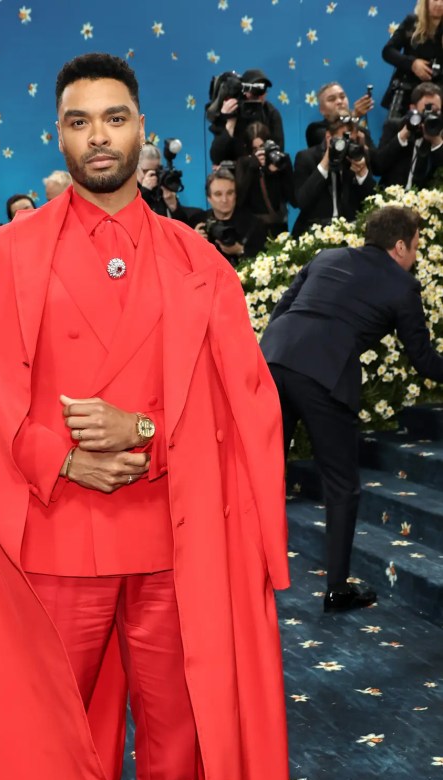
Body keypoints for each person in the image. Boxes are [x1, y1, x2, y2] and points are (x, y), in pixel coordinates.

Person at [0, 51, 290, 780]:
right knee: (52, 728)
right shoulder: (9, 254)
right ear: (57, 134)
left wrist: (149, 434)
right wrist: (61, 455)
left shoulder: (197, 259)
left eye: (114, 117)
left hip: (174, 537)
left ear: (142, 130)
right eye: (79, 120)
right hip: (55, 535)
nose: (98, 136)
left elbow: (242, 397)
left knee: (178, 727)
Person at [260, 204, 443, 611]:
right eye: (416, 246)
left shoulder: (328, 256)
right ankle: (337, 589)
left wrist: (278, 354)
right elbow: (424, 360)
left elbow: (282, 309)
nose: (416, 255)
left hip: (273, 359)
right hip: (325, 372)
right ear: (400, 246)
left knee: (266, 474)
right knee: (341, 485)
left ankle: (250, 576)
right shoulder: (403, 286)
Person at [292, 115, 376, 237]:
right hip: (314, 233)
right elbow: (302, 201)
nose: (348, 145)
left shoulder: (357, 157)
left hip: (349, 234)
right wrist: (326, 162)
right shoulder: (306, 158)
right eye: (344, 140)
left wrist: (362, 173)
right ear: (328, 137)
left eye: (351, 141)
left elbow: (373, 201)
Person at [189, 169, 266, 266]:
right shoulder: (196, 222)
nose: (224, 200)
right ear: (209, 198)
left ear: (235, 195)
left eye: (229, 193)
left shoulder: (254, 224)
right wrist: (192, 241)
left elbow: (264, 259)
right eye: (218, 194)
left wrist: (241, 250)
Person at [208, 69, 285, 166]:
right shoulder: (232, 111)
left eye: (263, 91)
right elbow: (216, 157)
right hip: (235, 171)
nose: (259, 96)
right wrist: (230, 122)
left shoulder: (271, 113)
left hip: (262, 171)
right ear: (244, 91)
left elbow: (278, 153)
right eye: (254, 92)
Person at [381, 0, 443, 120]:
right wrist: (412, 64)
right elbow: (388, 51)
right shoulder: (412, 22)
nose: (439, 4)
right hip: (406, 95)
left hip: (438, 98)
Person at [374, 82, 443, 187]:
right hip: (391, 195)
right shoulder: (394, 126)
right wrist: (402, 136)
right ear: (413, 109)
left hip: (425, 196)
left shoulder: (440, 134)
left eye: (436, 111)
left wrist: (436, 141)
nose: (431, 116)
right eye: (427, 110)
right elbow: (377, 167)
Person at [235, 123, 295, 237]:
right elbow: (240, 200)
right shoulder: (244, 163)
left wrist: (277, 171)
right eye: (255, 149)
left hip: (278, 226)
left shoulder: (279, 160)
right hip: (252, 228)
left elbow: (292, 199)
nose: (260, 152)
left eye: (262, 147)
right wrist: (252, 169)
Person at [305, 82, 375, 148]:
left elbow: (375, 156)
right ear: (322, 110)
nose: (339, 101)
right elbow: (336, 144)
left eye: (342, 97)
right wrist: (354, 116)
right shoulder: (315, 129)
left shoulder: (362, 131)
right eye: (331, 99)